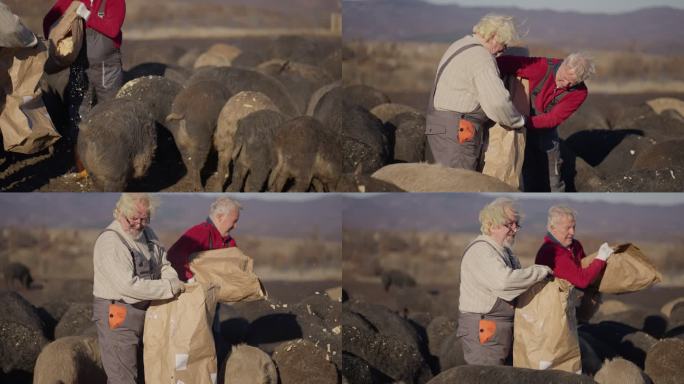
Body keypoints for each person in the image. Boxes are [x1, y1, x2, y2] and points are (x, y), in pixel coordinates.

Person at [92, 193, 184, 384]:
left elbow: (164, 265)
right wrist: (169, 287)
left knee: (144, 374)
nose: (139, 224)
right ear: (119, 213)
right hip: (117, 314)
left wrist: (172, 280)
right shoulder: (112, 242)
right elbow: (128, 286)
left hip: (145, 314)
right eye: (133, 218)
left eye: (144, 219)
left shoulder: (148, 234)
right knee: (123, 377)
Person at [456, 197, 552, 366]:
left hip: (501, 328)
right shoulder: (481, 250)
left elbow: (519, 283)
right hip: (485, 328)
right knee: (487, 377)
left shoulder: (505, 252)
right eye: (509, 224)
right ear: (492, 225)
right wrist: (539, 271)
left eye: (517, 224)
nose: (515, 230)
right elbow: (505, 282)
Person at [425, 14, 526, 171]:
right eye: (503, 44)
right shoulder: (482, 58)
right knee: (460, 184)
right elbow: (498, 104)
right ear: (493, 36)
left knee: (442, 182)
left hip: (439, 127)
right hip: (458, 132)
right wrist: (518, 121)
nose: (503, 50)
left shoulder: (460, 44)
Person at [43, 0, 125, 174]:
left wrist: (87, 14)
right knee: (79, 113)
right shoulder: (73, 1)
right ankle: (81, 164)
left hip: (107, 67)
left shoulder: (115, 1)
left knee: (110, 112)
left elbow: (112, 29)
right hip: (80, 65)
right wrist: (56, 40)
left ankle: (109, 164)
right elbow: (49, 19)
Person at [497, 52, 596, 191]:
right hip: (519, 126)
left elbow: (553, 118)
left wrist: (523, 121)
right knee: (521, 168)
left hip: (544, 129)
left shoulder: (579, 93)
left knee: (554, 171)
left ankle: (556, 196)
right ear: (562, 65)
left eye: (572, 82)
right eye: (564, 78)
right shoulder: (542, 67)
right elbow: (503, 63)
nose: (566, 84)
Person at [167, 196, 242, 367]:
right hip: (192, 304)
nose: (236, 226)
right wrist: (191, 278)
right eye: (234, 221)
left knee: (211, 342)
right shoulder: (199, 233)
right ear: (220, 217)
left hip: (215, 304)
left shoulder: (229, 242)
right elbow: (173, 257)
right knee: (191, 344)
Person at [535, 205, 613, 290]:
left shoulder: (575, 245)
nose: (572, 232)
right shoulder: (551, 253)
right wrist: (601, 258)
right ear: (553, 228)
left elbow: (585, 268)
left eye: (573, 227)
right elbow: (582, 281)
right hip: (555, 301)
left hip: (576, 299)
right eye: (567, 228)